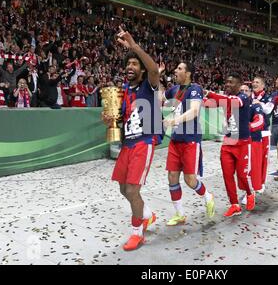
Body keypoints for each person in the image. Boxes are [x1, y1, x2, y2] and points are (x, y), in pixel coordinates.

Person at [102, 26, 162, 251]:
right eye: (128, 63)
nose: (129, 67)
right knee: (122, 188)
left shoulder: (150, 85)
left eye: (134, 64)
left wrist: (134, 45)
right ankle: (147, 214)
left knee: (132, 191)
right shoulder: (124, 90)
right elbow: (118, 121)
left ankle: (137, 233)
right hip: (127, 144)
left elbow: (154, 69)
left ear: (142, 70)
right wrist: (109, 121)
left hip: (144, 142)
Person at [163, 62, 215, 226]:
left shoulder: (195, 89)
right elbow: (159, 97)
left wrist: (174, 121)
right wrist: (155, 75)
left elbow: (194, 111)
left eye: (179, 68)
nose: (175, 71)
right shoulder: (174, 90)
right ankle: (180, 214)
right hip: (175, 140)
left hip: (190, 139)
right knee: (172, 176)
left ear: (189, 73)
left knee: (190, 180)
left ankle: (207, 196)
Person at [204, 73, 254, 216]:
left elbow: (229, 101)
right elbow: (207, 104)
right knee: (227, 175)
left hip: (242, 143)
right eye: (226, 82)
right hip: (228, 143)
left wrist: (209, 93)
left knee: (242, 176)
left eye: (231, 82)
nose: (227, 84)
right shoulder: (226, 99)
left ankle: (250, 194)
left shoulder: (243, 97)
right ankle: (234, 204)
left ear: (239, 85)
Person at [250, 77, 273, 192]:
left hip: (263, 132)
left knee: (263, 159)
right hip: (251, 133)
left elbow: (268, 110)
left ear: (263, 86)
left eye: (257, 82)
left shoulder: (268, 97)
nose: (254, 84)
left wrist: (259, 103)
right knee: (253, 160)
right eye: (253, 82)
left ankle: (262, 182)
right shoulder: (249, 96)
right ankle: (253, 182)